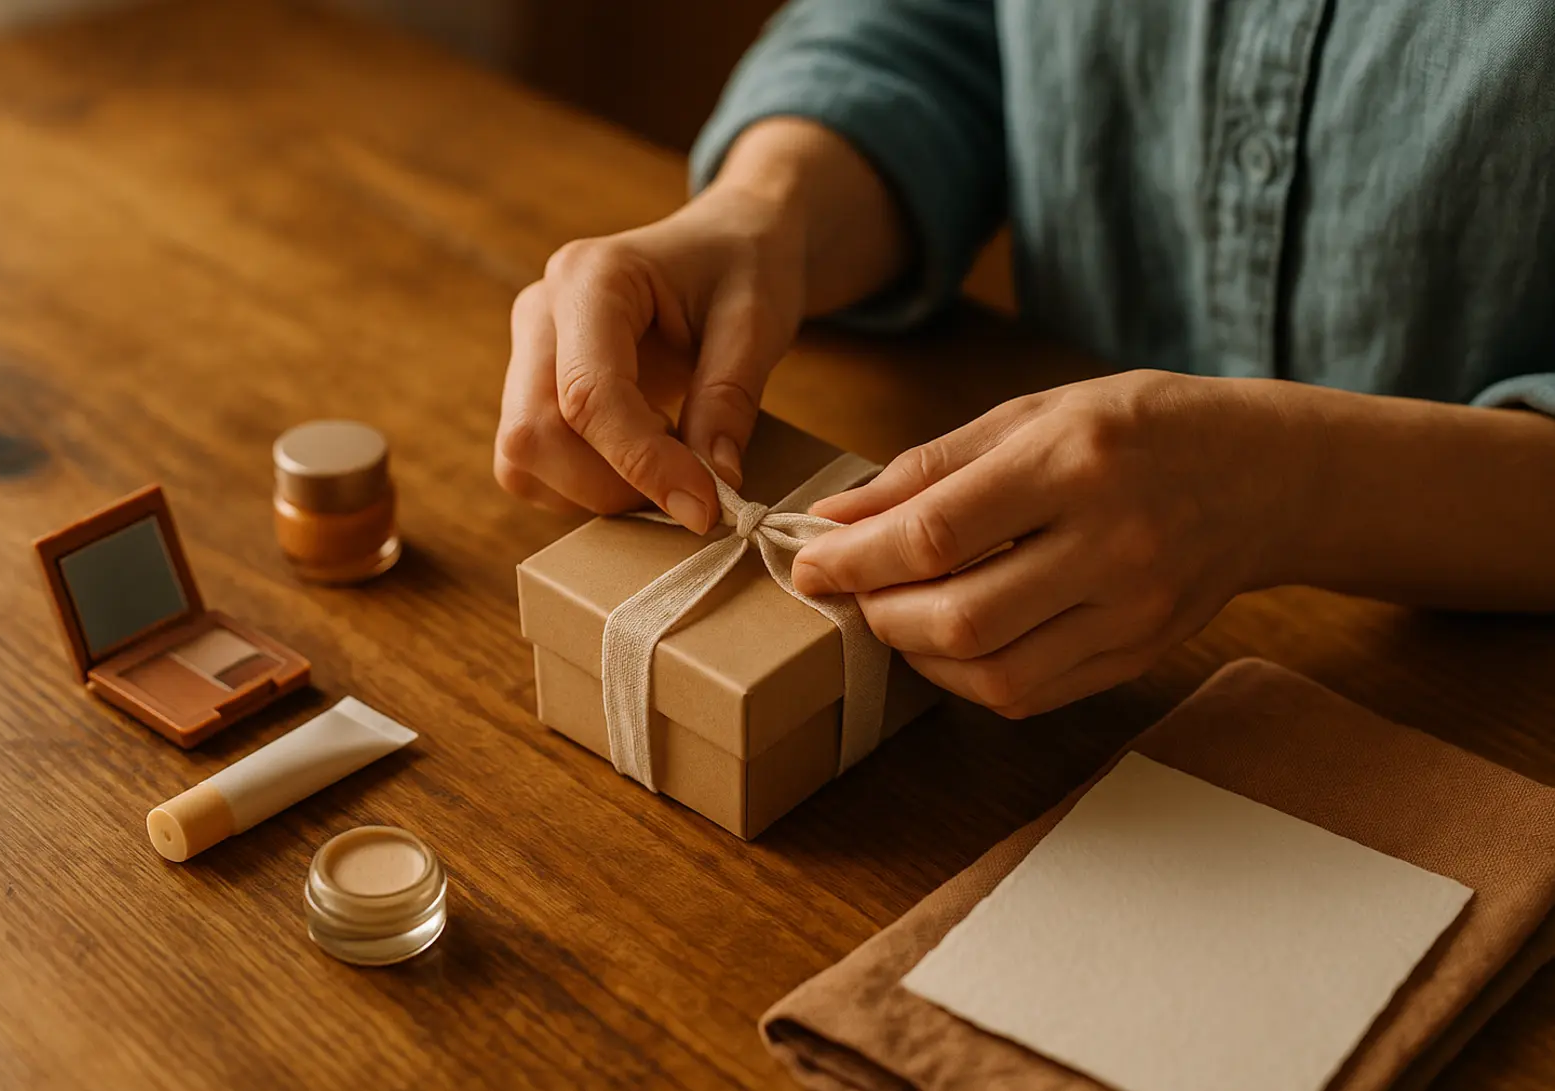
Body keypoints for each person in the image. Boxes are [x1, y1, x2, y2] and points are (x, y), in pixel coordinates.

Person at [494, 1, 1555, 718]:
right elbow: (944, 24)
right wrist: (767, 207)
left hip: (1474, 694)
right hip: (1042, 674)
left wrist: (1290, 484)